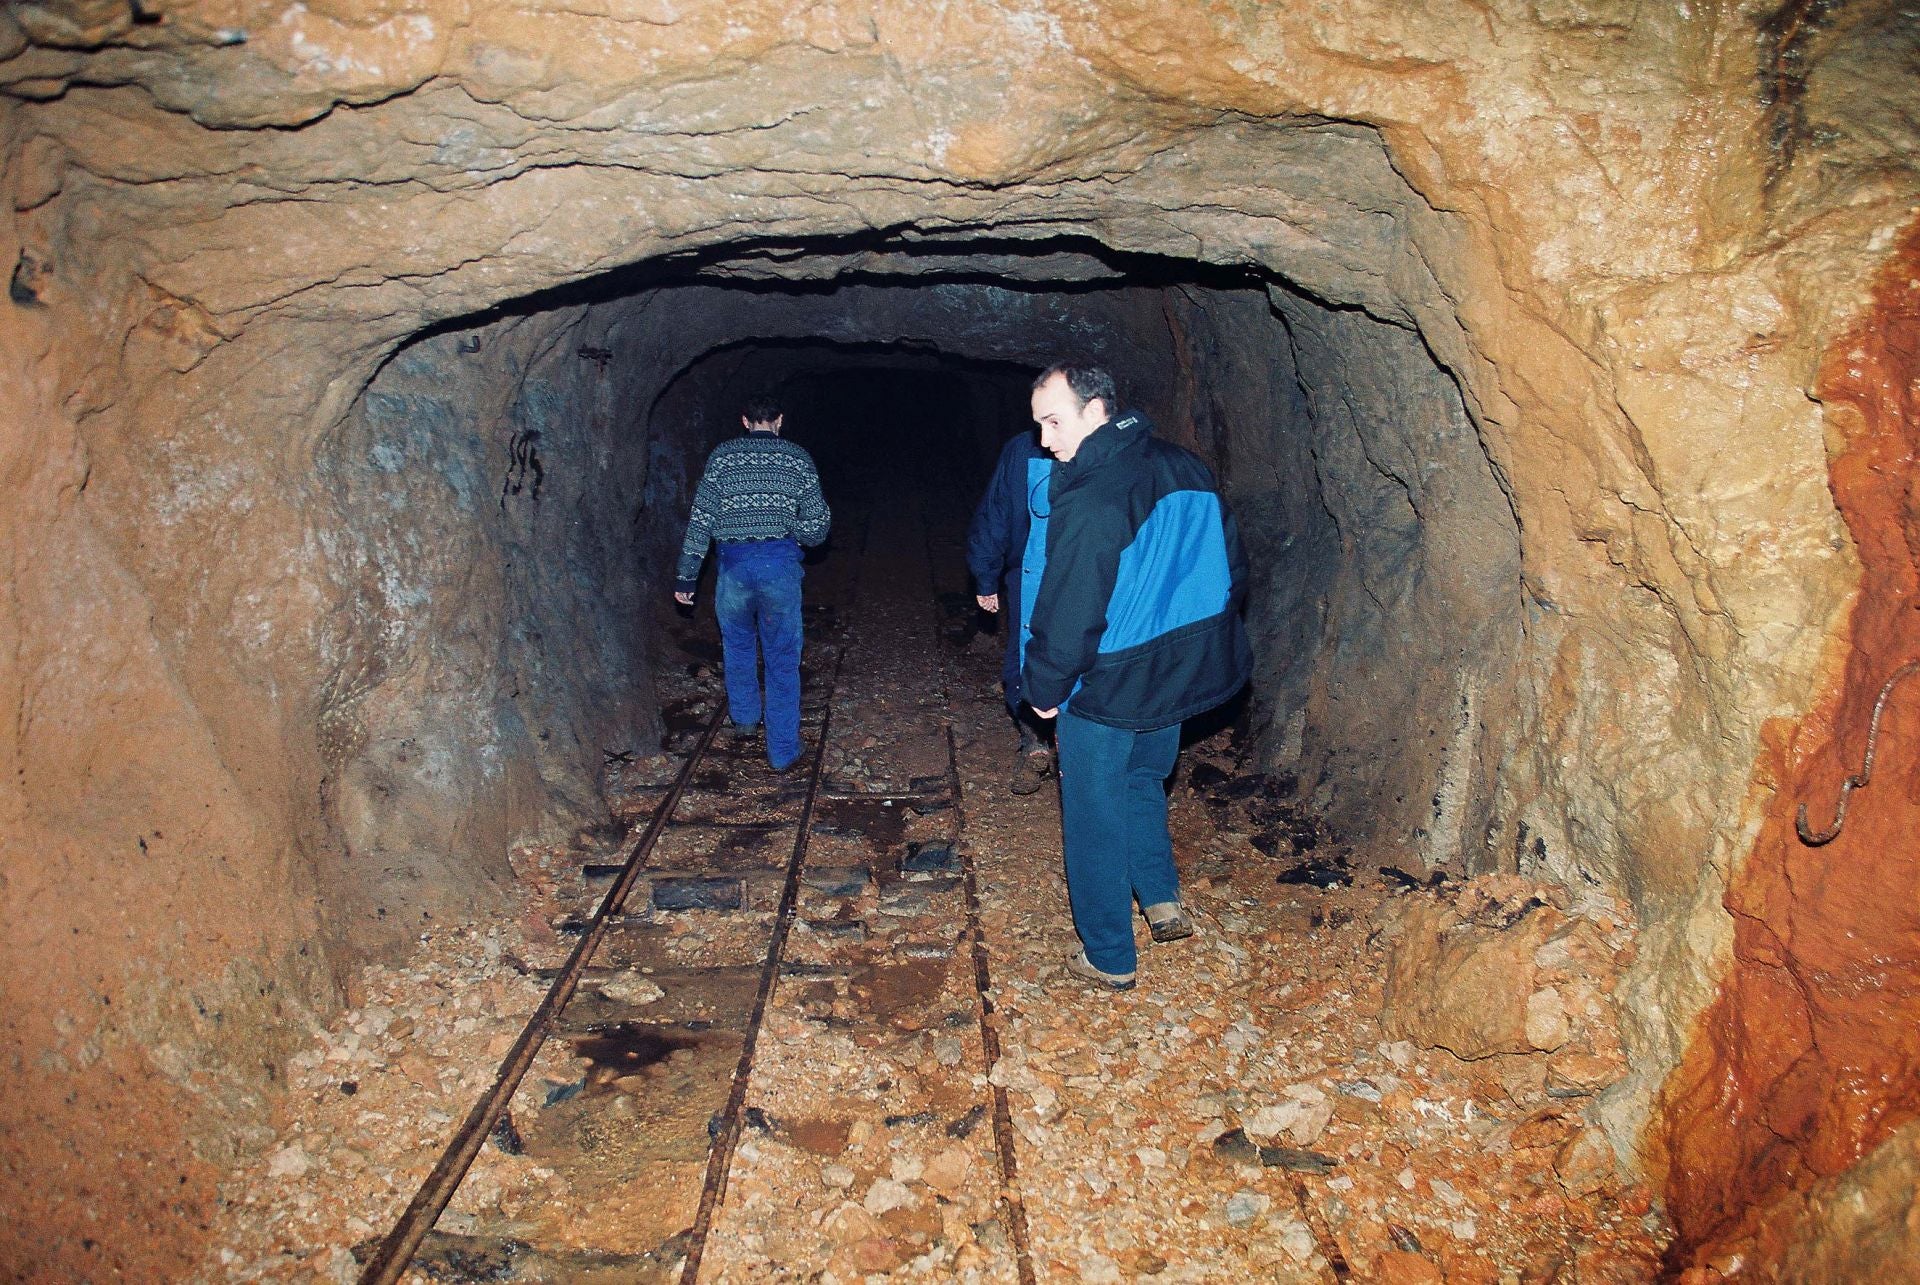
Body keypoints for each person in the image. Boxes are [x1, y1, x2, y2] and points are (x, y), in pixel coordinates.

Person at [1021, 361, 1251, 991]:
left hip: (1111, 682)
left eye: (1054, 420)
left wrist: (1043, 689)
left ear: (1095, 411)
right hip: (1176, 671)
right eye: (1039, 423)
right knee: (1145, 779)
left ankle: (1109, 955)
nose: (1045, 439)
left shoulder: (1094, 493)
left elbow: (1071, 607)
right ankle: (1160, 896)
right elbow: (1231, 568)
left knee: (1092, 811)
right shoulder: (1185, 466)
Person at [674, 396, 831, 772]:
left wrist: (686, 576)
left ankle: (744, 719)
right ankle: (782, 752)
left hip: (733, 568)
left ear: (745, 420)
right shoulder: (796, 458)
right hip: (778, 567)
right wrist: (791, 528)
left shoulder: (722, 457)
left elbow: (700, 521)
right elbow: (817, 529)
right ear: (779, 419)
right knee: (782, 659)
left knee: (738, 644)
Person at [966, 427, 1056, 795]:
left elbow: (995, 515)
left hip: (1033, 572)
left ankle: (1036, 740)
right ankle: (1053, 741)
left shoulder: (1024, 448)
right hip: (1081, 571)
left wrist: (986, 578)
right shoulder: (1108, 445)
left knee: (1027, 654)